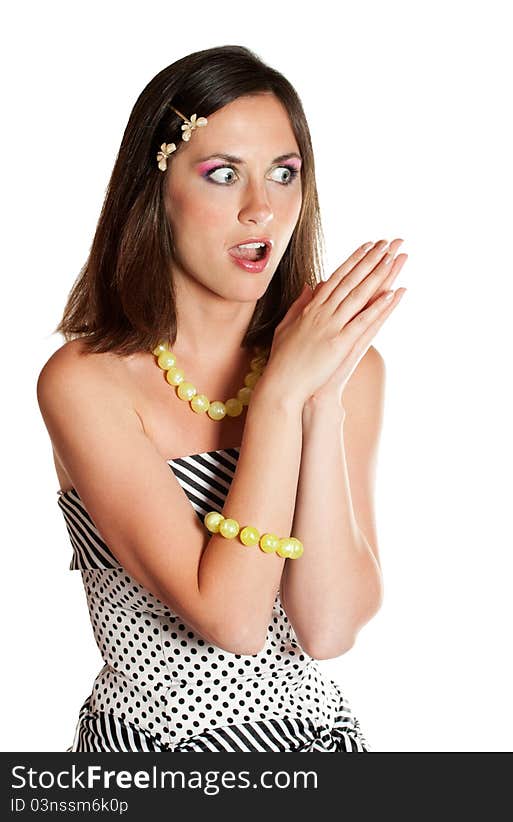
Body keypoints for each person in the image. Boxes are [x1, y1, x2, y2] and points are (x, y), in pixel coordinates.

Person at [36, 45, 407, 752]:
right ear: (156, 189)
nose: (261, 209)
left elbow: (327, 629)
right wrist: (279, 401)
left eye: (283, 174)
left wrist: (320, 397)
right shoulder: (87, 381)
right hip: (152, 759)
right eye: (222, 174)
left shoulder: (348, 373)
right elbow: (230, 619)